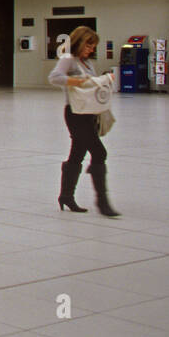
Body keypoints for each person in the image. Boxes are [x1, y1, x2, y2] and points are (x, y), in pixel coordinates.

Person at [48, 26, 120, 217]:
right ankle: (102, 202)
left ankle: (66, 196)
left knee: (77, 154)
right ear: (79, 42)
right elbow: (54, 78)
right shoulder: (68, 59)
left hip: (88, 112)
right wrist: (76, 81)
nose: (91, 50)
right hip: (75, 113)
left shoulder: (86, 62)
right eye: (88, 45)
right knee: (99, 152)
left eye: (93, 47)